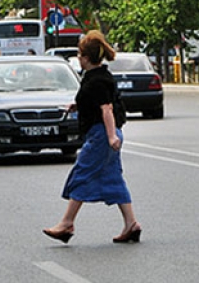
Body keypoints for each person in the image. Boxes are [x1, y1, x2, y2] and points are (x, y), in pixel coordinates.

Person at [43, 30, 141, 243]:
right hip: (104, 133)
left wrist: (111, 137)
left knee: (82, 173)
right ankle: (131, 224)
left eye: (80, 54)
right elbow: (99, 104)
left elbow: (106, 109)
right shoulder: (99, 77)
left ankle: (67, 223)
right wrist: (78, 105)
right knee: (113, 176)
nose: (78, 57)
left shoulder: (96, 81)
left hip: (101, 135)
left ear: (86, 58)